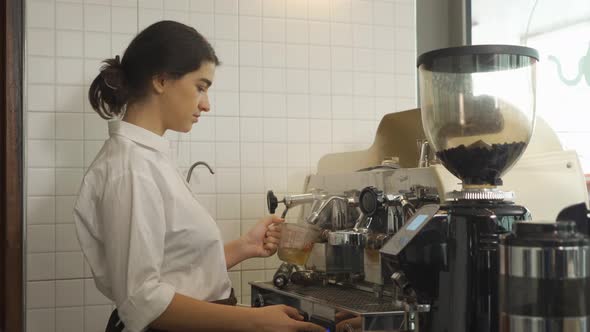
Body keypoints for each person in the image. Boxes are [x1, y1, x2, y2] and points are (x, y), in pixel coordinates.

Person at [73, 20, 325, 332]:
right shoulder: (131, 168)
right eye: (200, 87)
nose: (206, 104)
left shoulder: (149, 157)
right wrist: (256, 320)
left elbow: (176, 271)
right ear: (162, 80)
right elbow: (143, 299)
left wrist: (245, 246)